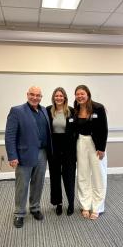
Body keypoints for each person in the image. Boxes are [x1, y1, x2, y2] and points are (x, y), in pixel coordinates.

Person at [5, 86, 52, 228]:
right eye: (32, 94)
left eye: (38, 95)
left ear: (41, 97)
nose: (35, 97)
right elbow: (10, 135)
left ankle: (35, 208)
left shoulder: (44, 110)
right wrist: (12, 156)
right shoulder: (17, 111)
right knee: (22, 185)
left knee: (38, 183)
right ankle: (19, 213)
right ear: (27, 95)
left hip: (42, 153)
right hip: (24, 154)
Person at [74, 85, 108, 220]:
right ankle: (85, 205)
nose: (80, 96)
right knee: (83, 174)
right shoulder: (75, 108)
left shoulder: (98, 108)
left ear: (88, 94)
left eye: (82, 94)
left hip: (96, 145)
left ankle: (98, 207)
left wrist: (102, 148)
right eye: (77, 94)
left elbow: (104, 129)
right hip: (80, 143)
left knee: (98, 175)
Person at [46, 87, 76, 216]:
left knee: (69, 177)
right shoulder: (47, 111)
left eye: (61, 96)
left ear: (65, 98)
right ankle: (58, 203)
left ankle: (71, 203)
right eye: (56, 96)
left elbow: (76, 129)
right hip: (54, 148)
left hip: (69, 148)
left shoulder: (72, 111)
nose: (59, 98)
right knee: (55, 176)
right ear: (53, 98)